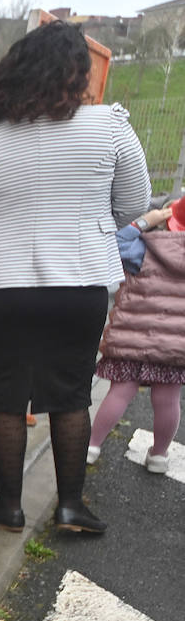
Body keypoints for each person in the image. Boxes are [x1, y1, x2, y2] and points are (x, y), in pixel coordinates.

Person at [0, 19, 150, 536]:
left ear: (13, 71)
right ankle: (70, 507)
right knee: (70, 395)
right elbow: (133, 203)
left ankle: (8, 505)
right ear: (77, 72)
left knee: (4, 397)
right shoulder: (109, 126)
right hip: (78, 283)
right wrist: (87, 222)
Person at [88, 196, 185, 473]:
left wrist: (143, 222)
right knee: (167, 399)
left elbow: (113, 243)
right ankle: (159, 455)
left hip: (132, 339)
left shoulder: (143, 248)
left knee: (120, 391)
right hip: (176, 346)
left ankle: (92, 446)